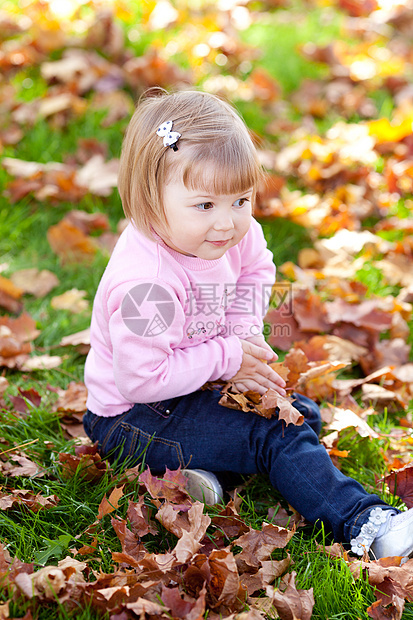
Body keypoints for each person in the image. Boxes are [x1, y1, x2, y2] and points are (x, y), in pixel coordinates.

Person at [83, 89, 413, 562]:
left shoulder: (234, 229)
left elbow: (257, 270)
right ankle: (368, 524)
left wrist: (240, 335)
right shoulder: (146, 284)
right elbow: (141, 379)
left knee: (300, 415)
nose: (227, 223)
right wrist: (228, 357)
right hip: (132, 418)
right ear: (152, 200)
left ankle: (205, 476)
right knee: (275, 434)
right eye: (204, 206)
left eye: (240, 199)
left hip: (193, 384)